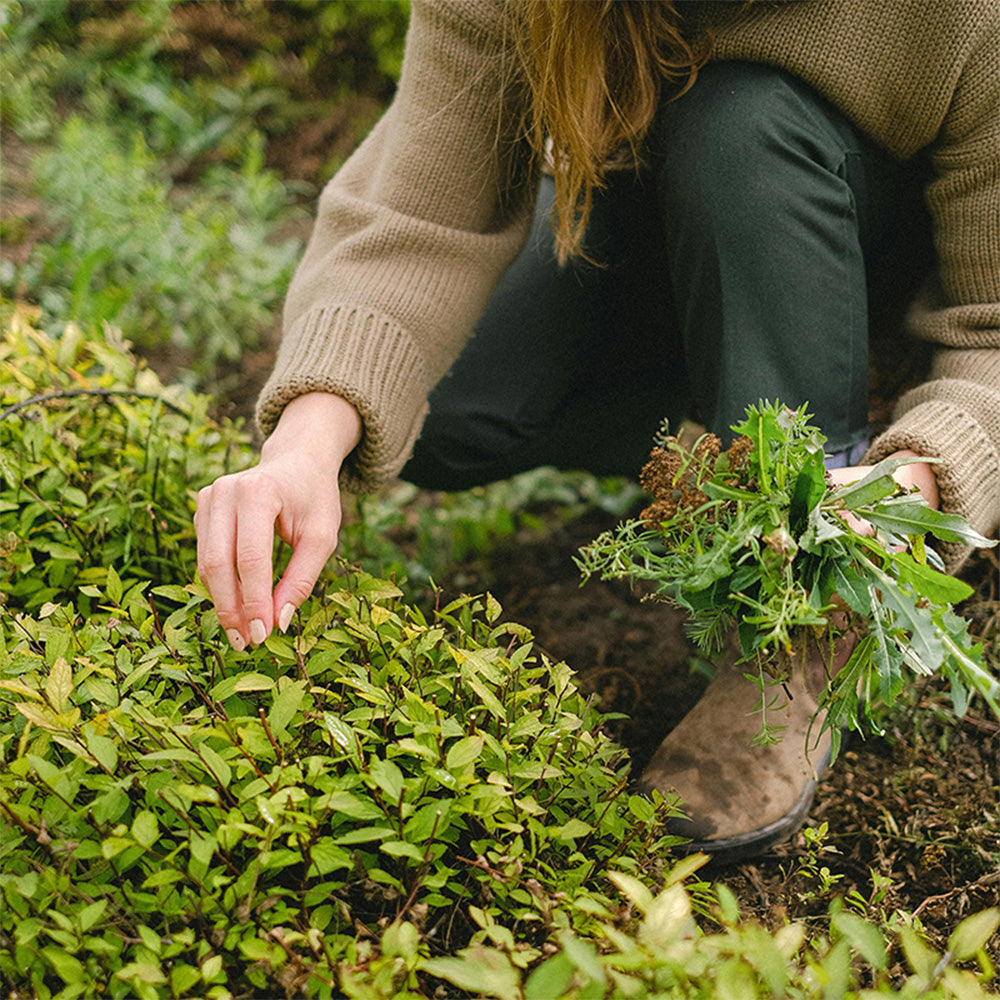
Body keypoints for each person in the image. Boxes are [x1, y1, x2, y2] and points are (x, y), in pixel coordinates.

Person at [195, 0, 999, 860]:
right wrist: (303, 447)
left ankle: (804, 608)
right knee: (445, 397)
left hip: (852, 240)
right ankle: (729, 449)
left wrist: (913, 479)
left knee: (741, 123)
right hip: (668, 220)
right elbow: (417, 214)